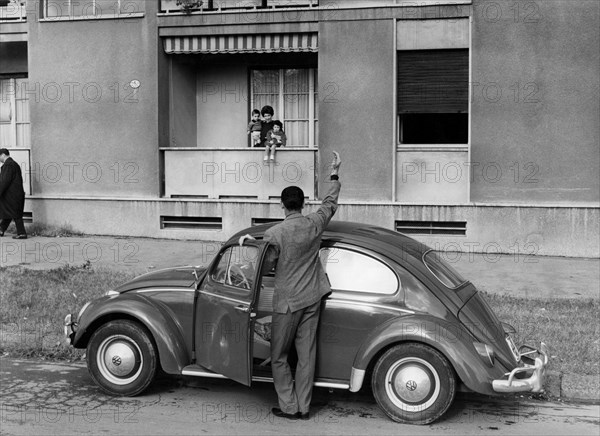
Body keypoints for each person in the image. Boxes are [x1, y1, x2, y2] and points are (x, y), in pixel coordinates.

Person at [239, 151, 342, 420]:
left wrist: (250, 244)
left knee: (279, 357)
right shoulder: (314, 223)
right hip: (313, 297)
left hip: (286, 304)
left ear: (283, 206)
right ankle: (304, 408)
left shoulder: (275, 233)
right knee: (306, 357)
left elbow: (268, 265)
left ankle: (288, 407)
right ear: (303, 204)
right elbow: (330, 203)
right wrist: (334, 173)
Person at [0, 148, 27, 239]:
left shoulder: (8, 165)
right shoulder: (13, 164)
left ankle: (22, 233)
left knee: (15, 214)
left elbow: (4, 181)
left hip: (12, 195)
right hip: (14, 194)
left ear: (3, 155)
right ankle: (1, 229)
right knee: (9, 212)